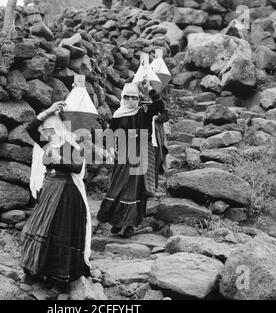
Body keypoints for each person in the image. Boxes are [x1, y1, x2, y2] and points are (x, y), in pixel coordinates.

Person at [19, 101, 91, 291]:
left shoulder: (71, 144)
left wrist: (57, 157)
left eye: (54, 127)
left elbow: (76, 167)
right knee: (39, 229)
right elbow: (30, 127)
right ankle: (35, 270)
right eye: (47, 128)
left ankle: (59, 279)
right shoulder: (47, 143)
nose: (49, 130)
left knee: (60, 234)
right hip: (49, 189)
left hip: (66, 193)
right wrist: (48, 111)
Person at [96, 80, 168, 238]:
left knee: (136, 188)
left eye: (134, 98)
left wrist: (150, 89)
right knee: (119, 185)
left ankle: (130, 225)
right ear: (122, 98)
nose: (130, 101)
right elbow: (109, 132)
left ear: (138, 99)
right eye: (127, 97)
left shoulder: (145, 111)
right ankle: (117, 220)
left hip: (141, 151)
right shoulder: (118, 114)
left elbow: (160, 107)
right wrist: (109, 148)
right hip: (123, 153)